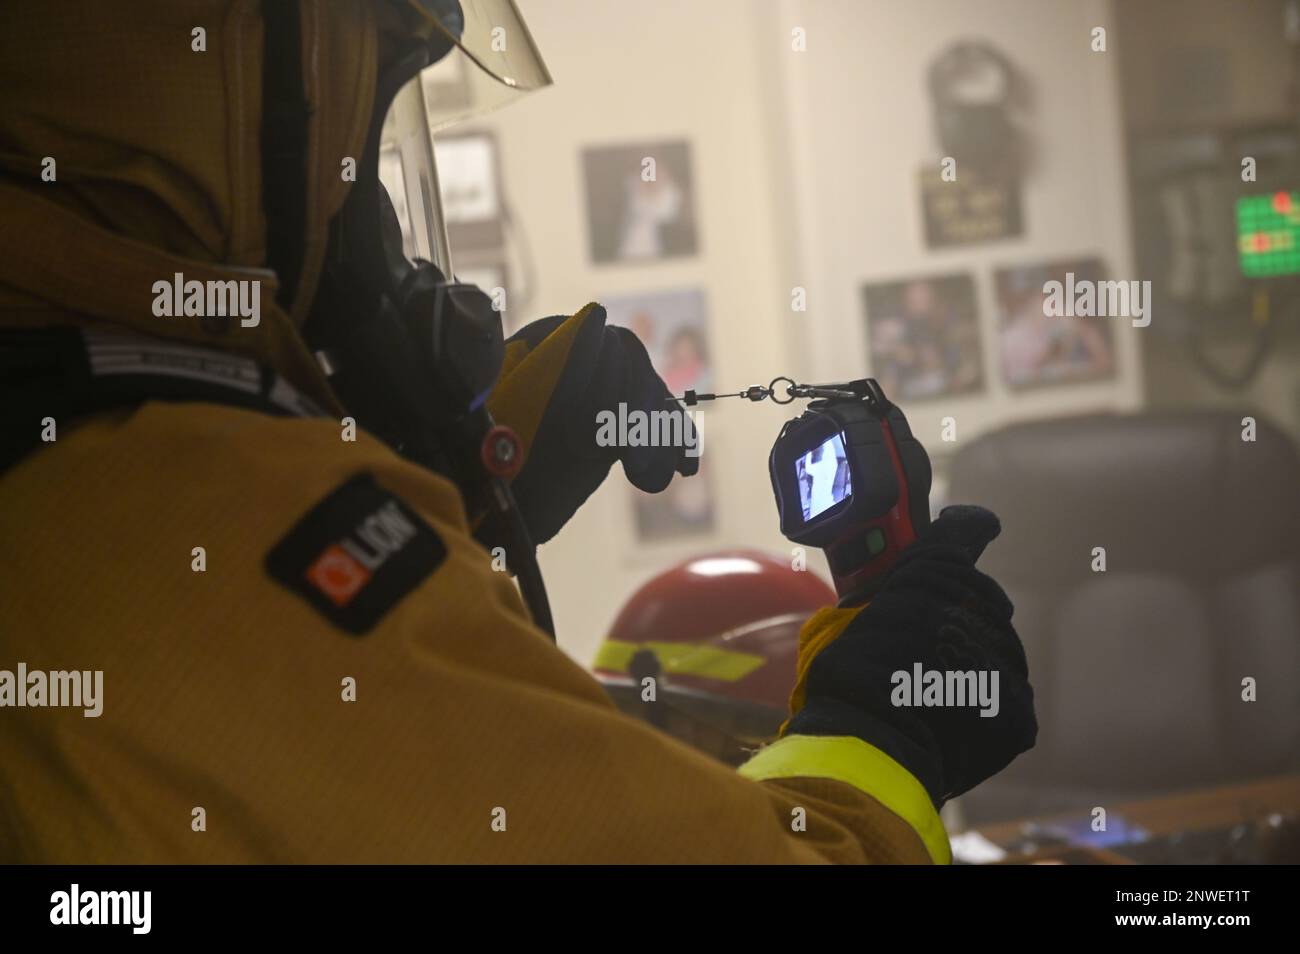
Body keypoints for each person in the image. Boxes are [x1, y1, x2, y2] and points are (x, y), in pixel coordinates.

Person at [0, 0, 1035, 863]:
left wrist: (470, 477)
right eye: (359, 151)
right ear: (214, 107)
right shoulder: (195, 519)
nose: (385, 244)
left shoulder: (76, 450)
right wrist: (877, 739)